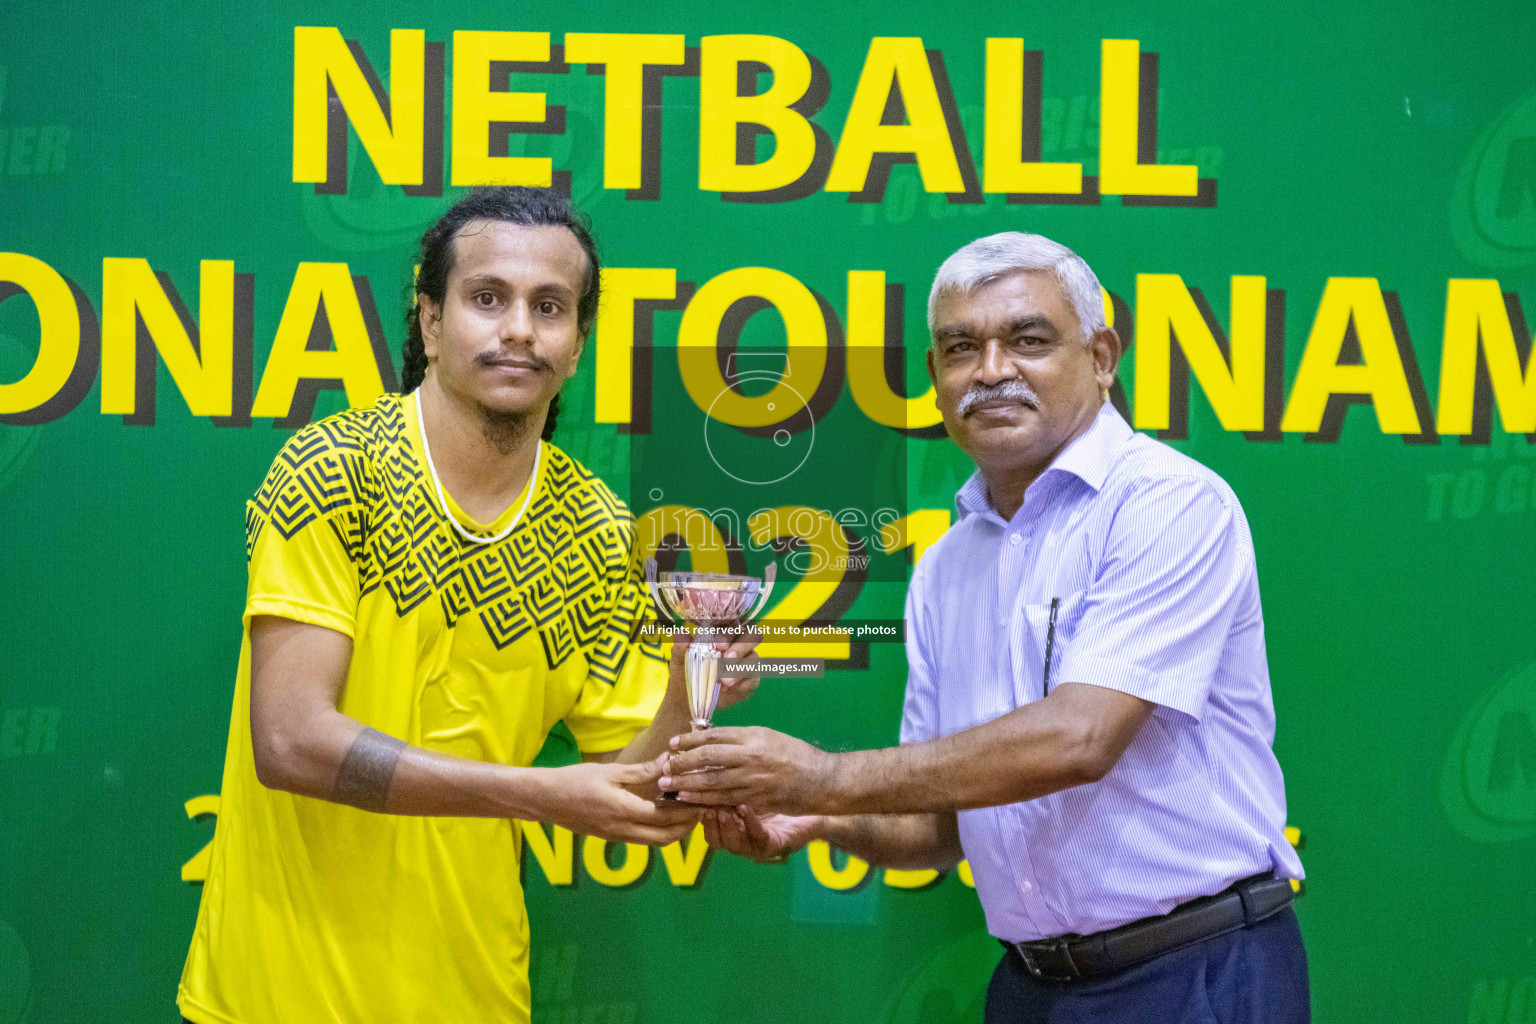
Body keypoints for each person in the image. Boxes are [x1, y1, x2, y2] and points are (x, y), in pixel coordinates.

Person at [662, 232, 1309, 1023]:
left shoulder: (1169, 504)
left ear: (1103, 356)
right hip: (1030, 988)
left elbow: (1079, 738)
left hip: (1190, 975)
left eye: (1028, 340)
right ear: (936, 377)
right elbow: (939, 825)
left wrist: (821, 776)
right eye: (961, 348)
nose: (992, 371)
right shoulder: (946, 565)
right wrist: (816, 817)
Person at [177, 187, 756, 1024]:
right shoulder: (335, 471)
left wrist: (684, 692)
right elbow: (291, 741)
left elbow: (644, 802)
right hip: (274, 995)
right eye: (488, 298)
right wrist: (539, 793)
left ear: (578, 343)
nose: (519, 328)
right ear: (430, 322)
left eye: (549, 307)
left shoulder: (596, 530)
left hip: (474, 995)